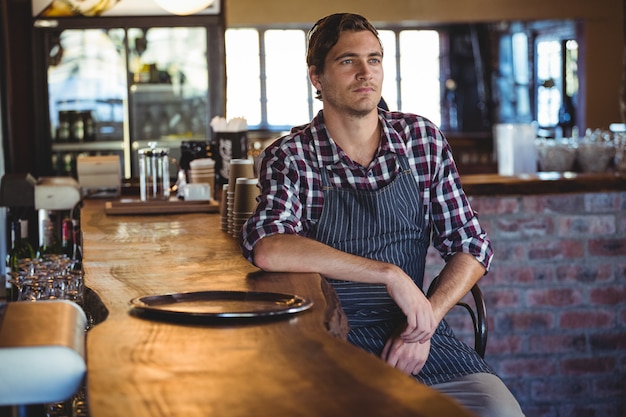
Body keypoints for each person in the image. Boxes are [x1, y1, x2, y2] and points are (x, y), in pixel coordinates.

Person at [241, 12, 524, 417]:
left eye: (374, 59)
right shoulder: (291, 156)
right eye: (347, 61)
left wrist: (426, 320)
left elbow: (471, 245)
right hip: (329, 336)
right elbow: (268, 247)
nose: (365, 72)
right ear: (316, 78)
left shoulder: (421, 140)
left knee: (500, 411)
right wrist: (388, 274)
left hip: (416, 336)